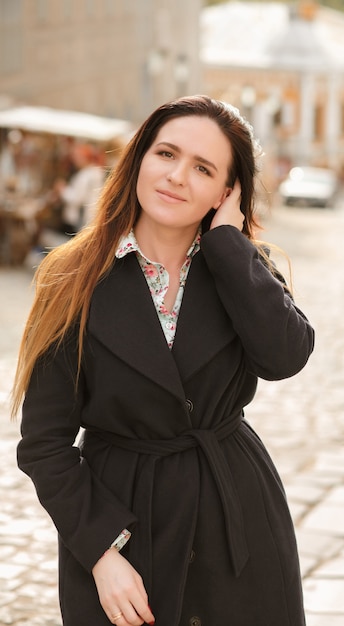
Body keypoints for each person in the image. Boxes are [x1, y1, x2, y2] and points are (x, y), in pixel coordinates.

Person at [12, 95, 315, 626]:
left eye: (203, 168)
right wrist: (102, 555)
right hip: (121, 522)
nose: (177, 176)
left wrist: (226, 244)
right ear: (139, 159)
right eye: (166, 154)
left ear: (227, 192)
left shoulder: (244, 268)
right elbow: (44, 445)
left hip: (236, 515)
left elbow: (285, 356)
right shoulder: (71, 277)